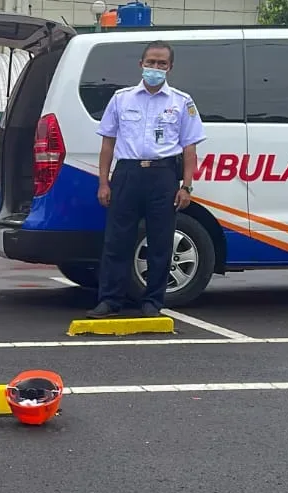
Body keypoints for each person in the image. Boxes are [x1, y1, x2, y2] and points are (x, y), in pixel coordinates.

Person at [89, 40, 205, 319]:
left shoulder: (181, 102)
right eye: (151, 62)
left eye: (161, 64)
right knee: (117, 241)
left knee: (160, 241)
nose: (155, 68)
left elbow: (190, 149)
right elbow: (108, 144)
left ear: (170, 67)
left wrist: (186, 186)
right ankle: (109, 301)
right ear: (141, 64)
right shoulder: (121, 99)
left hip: (163, 176)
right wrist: (104, 182)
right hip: (127, 174)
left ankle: (153, 302)